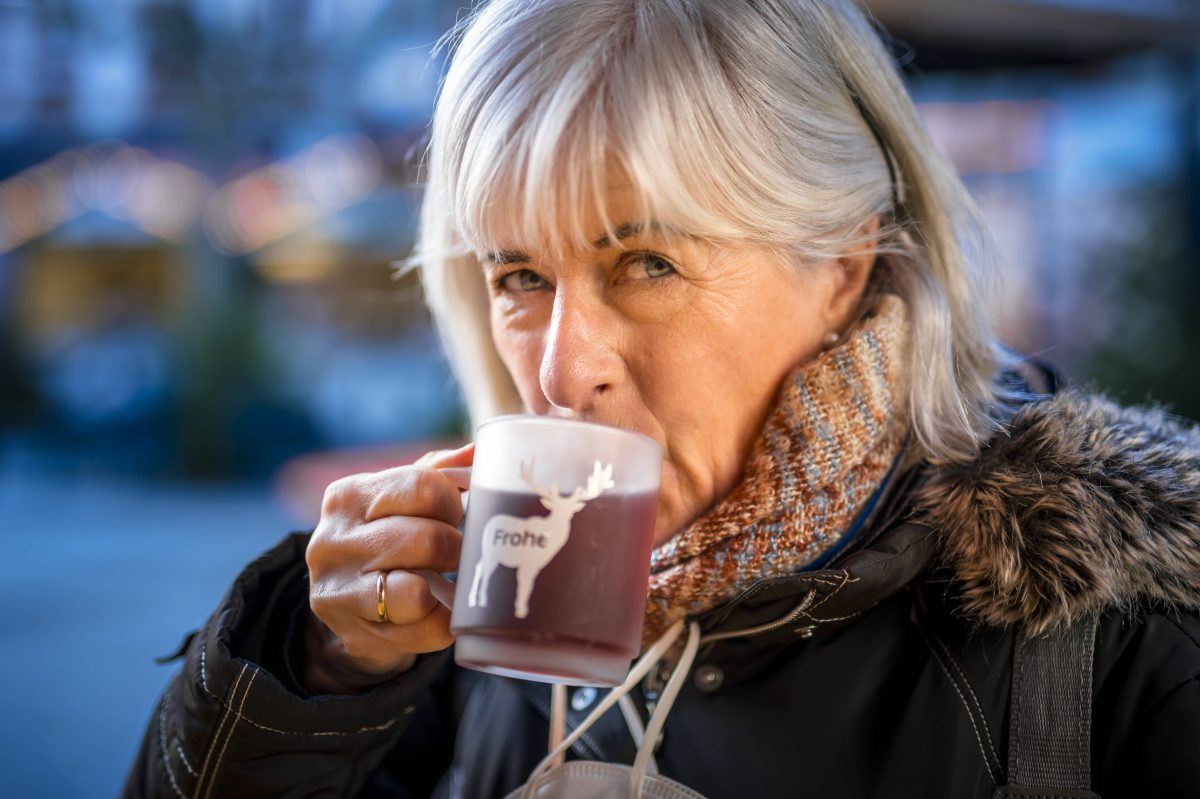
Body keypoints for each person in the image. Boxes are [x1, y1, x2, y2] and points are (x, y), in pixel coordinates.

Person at [125, 0, 1200, 796]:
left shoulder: (1116, 639)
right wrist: (317, 674)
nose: (554, 370)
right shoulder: (491, 600)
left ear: (840, 261)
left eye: (644, 262)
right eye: (520, 277)